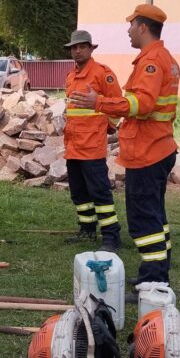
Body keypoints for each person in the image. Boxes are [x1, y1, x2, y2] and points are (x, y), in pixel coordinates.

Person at [70, 3, 180, 284]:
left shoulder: (152, 62)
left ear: (143, 27)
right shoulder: (160, 58)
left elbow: (141, 104)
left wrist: (100, 103)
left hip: (148, 151)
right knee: (156, 215)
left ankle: (153, 281)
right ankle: (159, 270)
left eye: (131, 25)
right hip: (156, 147)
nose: (128, 31)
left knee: (145, 220)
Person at [62, 30, 124, 251]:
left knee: (99, 192)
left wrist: (110, 126)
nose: (77, 51)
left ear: (90, 48)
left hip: (92, 147)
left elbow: (118, 102)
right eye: (74, 48)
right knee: (79, 193)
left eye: (81, 47)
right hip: (73, 146)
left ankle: (111, 236)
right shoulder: (71, 76)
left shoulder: (101, 73)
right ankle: (87, 230)